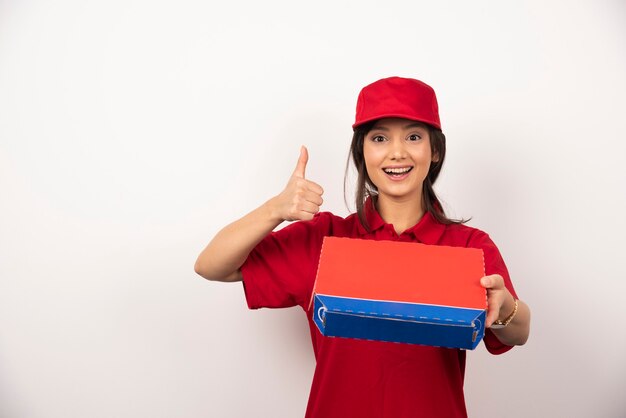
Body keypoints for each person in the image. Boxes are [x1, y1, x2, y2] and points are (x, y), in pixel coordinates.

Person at [194, 76, 531, 418]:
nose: (397, 152)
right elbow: (211, 265)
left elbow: (519, 332)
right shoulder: (324, 239)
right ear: (362, 152)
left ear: (435, 151)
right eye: (380, 138)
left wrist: (505, 310)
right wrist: (276, 209)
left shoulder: (468, 247)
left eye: (413, 137)